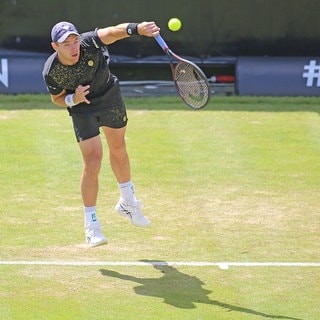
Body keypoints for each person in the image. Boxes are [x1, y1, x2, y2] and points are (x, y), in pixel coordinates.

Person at [42, 21, 160, 247]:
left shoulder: (89, 42)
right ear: (55, 46)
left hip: (109, 96)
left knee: (118, 147)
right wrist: (71, 99)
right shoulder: (51, 71)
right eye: (67, 44)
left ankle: (128, 203)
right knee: (93, 160)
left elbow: (113, 32)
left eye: (75, 41)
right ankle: (92, 226)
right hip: (81, 106)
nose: (74, 47)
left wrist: (137, 29)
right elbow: (56, 98)